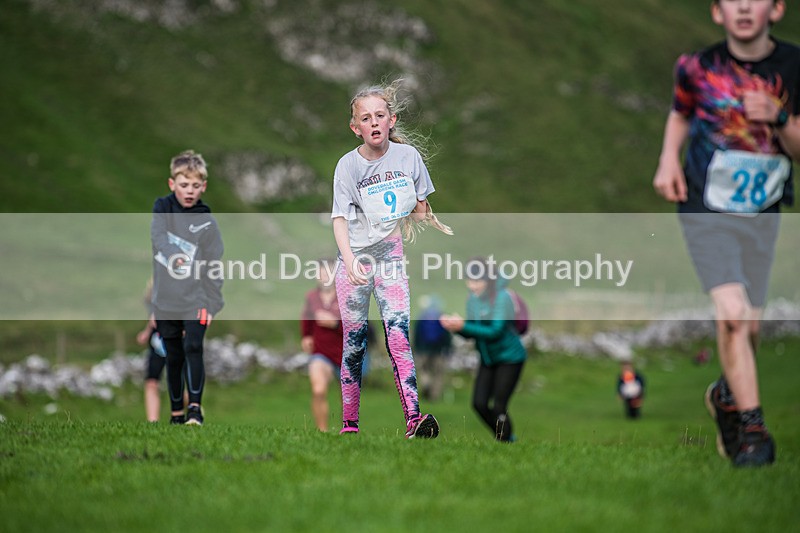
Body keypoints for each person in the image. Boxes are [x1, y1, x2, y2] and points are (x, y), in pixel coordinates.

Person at [652, 0, 799, 467]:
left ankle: (726, 395)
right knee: (733, 315)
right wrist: (668, 159)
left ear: (775, 9)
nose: (743, 7)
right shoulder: (696, 67)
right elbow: (680, 114)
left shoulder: (794, 66)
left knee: (749, 324)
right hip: (705, 206)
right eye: (731, 0)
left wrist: (778, 117)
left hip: (762, 208)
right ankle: (754, 430)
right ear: (717, 12)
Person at [331, 79, 452, 438]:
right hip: (354, 261)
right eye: (365, 118)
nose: (373, 122)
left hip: (391, 259)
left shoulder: (409, 158)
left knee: (398, 336)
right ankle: (350, 425)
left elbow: (417, 211)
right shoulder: (347, 167)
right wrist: (349, 259)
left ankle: (414, 421)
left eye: (379, 115)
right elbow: (339, 218)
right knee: (354, 342)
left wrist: (422, 207)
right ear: (356, 129)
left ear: (391, 120)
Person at [150, 150, 224, 426]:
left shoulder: (207, 222)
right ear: (173, 184)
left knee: (193, 346)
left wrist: (214, 304)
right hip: (165, 300)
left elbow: (214, 266)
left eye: (195, 186)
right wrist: (174, 255)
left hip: (197, 299)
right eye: (183, 185)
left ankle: (195, 410)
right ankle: (176, 414)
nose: (189, 191)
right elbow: (158, 237)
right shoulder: (162, 208)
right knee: (174, 355)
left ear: (203, 186)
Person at [440, 258, 527, 442]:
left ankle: (506, 442)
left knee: (499, 406)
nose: (472, 285)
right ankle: (505, 438)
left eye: (477, 281)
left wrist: (463, 327)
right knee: (478, 404)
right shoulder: (472, 299)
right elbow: (472, 331)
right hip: (488, 358)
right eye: (469, 280)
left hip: (510, 357)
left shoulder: (502, 297)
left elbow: (496, 331)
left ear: (488, 280)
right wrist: (456, 327)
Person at [301, 258, 344, 432]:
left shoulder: (346, 296)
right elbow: (306, 319)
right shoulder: (311, 297)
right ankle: (322, 431)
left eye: (328, 272)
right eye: (320, 272)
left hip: (345, 352)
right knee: (318, 390)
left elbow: (360, 326)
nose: (324, 276)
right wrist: (306, 337)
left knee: (348, 398)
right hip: (321, 352)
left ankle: (348, 429)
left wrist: (335, 324)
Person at [413, 294, 452, 402]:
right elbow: (447, 336)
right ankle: (434, 395)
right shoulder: (442, 316)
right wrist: (448, 349)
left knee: (424, 370)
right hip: (439, 349)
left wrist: (416, 348)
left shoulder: (422, 316)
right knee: (438, 373)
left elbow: (417, 334)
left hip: (423, 349)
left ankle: (426, 384)